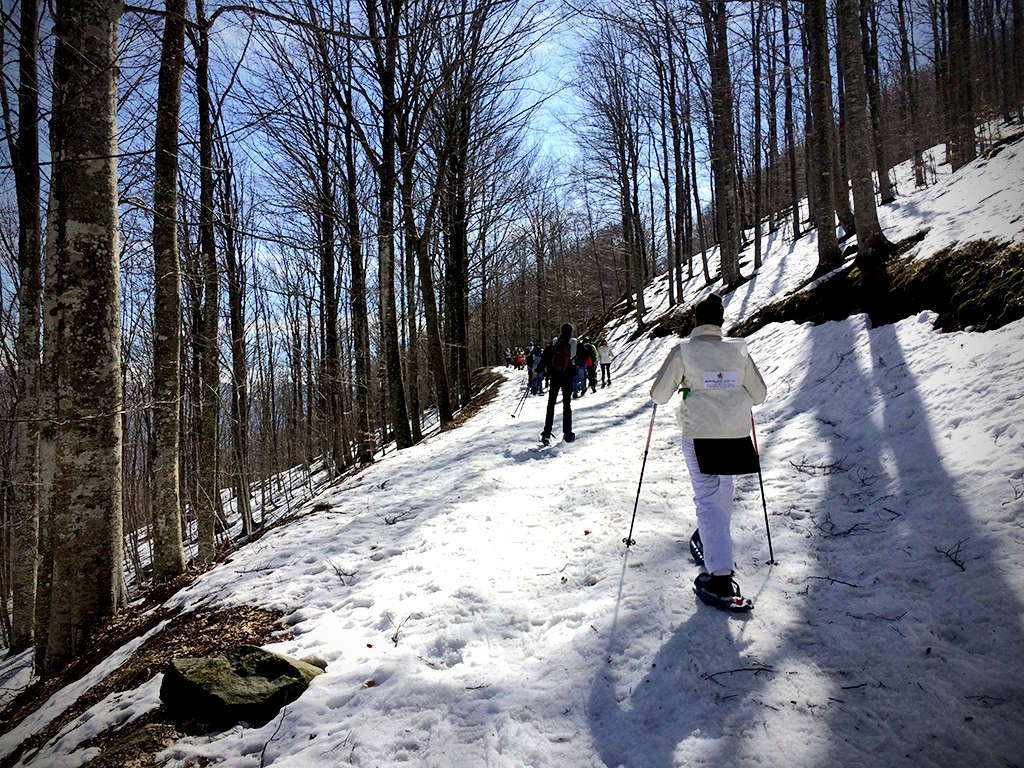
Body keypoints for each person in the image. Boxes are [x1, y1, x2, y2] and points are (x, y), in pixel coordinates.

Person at [650, 294, 767, 611]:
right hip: (735, 435)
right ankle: (711, 540)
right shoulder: (738, 350)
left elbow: (659, 395)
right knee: (723, 487)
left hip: (700, 435)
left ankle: (720, 576)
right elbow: (760, 394)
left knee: (706, 496)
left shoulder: (685, 351)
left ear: (696, 322)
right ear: (722, 323)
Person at [539, 323, 578, 444]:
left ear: (561, 331)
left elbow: (545, 357)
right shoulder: (575, 343)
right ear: (571, 331)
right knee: (567, 405)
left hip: (555, 376)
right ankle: (568, 435)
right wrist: (575, 365)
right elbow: (585, 355)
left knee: (551, 404)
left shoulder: (554, 342)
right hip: (568, 377)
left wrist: (537, 370)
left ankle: (546, 434)